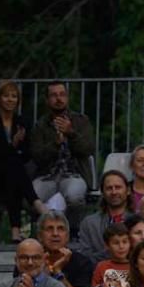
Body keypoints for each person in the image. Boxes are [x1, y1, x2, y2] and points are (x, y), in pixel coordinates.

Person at [0, 81, 44, 242]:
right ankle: (36, 203)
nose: (10, 99)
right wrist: (13, 145)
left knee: (13, 169)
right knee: (13, 164)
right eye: (6, 95)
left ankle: (15, 230)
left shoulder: (23, 122)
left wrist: (14, 150)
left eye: (14, 96)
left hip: (13, 178)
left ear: (18, 100)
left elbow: (28, 154)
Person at [29, 81, 94, 219]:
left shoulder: (81, 121)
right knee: (31, 198)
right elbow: (37, 157)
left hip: (74, 175)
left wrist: (71, 133)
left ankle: (73, 232)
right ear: (47, 100)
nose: (59, 99)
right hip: (46, 176)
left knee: (75, 198)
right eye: (54, 95)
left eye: (62, 94)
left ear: (67, 97)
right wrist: (55, 144)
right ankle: (42, 233)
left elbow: (88, 149)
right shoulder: (40, 125)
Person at [87, 223, 131, 287]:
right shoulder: (101, 267)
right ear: (107, 245)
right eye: (116, 243)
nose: (121, 246)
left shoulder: (135, 266)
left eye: (125, 242)